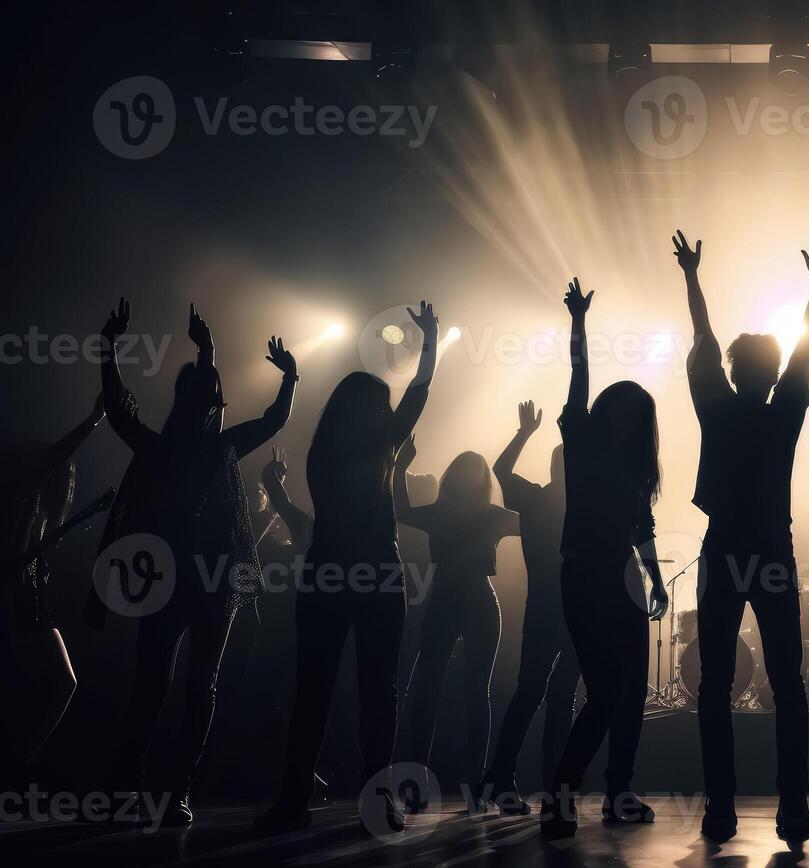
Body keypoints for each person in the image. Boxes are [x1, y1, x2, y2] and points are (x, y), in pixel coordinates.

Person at [92, 300, 296, 827]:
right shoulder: (204, 447)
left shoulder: (193, 447)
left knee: (166, 686)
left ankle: (148, 791)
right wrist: (276, 373)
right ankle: (155, 791)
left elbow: (121, 413)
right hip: (191, 583)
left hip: (206, 584)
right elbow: (273, 418)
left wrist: (111, 348)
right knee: (175, 686)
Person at [254, 300, 437, 835]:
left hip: (329, 574)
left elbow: (413, 402)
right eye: (381, 405)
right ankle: (376, 802)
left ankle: (293, 799)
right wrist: (429, 342)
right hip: (377, 573)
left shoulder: (323, 453)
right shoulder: (381, 445)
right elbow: (419, 397)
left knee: (314, 688)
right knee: (378, 690)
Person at [673, 230, 809, 843]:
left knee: (717, 682)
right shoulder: (783, 408)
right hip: (770, 551)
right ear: (764, 373)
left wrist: (692, 276)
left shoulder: (716, 401)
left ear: (737, 372)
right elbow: (806, 350)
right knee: (786, 681)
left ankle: (722, 808)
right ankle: (792, 807)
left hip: (728, 548)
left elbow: (704, 341)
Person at [541, 278, 668, 839]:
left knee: (630, 691)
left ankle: (618, 791)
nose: (629, 418)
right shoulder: (584, 442)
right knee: (607, 691)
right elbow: (578, 379)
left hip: (626, 579)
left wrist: (657, 580)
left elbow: (643, 527)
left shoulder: (638, 466)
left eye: (638, 413)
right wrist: (578, 323)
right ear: (606, 408)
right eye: (622, 407)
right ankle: (561, 795)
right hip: (585, 575)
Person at [392, 436, 519, 811]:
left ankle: (434, 784)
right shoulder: (490, 514)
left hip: (455, 599)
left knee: (437, 689)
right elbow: (535, 520)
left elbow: (402, 510)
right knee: (465, 691)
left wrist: (400, 467)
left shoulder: (452, 512)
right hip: (471, 599)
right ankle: (469, 786)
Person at [0, 396, 107, 780]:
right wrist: (93, 421)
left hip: (25, 604)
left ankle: (15, 763)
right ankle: (15, 765)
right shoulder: (20, 495)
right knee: (60, 683)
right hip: (17, 605)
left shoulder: (36, 512)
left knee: (58, 683)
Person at [480, 400, 578, 815]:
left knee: (531, 695)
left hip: (545, 609)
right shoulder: (577, 508)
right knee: (558, 699)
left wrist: (524, 434)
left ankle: (503, 777)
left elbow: (500, 473)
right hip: (572, 612)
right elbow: (500, 474)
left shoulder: (538, 500)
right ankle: (552, 787)